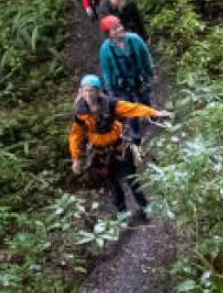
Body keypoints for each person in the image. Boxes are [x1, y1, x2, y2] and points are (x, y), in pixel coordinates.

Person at [69, 74, 168, 221]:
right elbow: (75, 136)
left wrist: (154, 113)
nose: (88, 94)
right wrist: (76, 158)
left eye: (92, 90)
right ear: (81, 91)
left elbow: (132, 108)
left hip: (119, 148)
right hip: (100, 154)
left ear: (98, 91)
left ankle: (145, 205)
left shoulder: (110, 104)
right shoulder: (80, 114)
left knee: (131, 179)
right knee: (113, 184)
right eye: (85, 91)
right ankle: (122, 211)